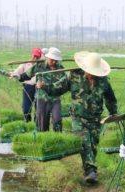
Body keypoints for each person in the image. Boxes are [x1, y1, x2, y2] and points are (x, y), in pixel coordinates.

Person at [42, 52, 117, 184]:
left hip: (95, 118)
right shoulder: (74, 75)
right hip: (78, 117)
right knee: (84, 141)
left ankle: (89, 169)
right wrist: (45, 86)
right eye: (89, 71)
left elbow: (110, 98)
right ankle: (91, 171)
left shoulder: (103, 81)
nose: (91, 74)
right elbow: (58, 88)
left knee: (93, 144)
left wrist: (113, 113)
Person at [18, 47, 65, 132]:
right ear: (47, 57)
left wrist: (46, 86)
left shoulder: (60, 69)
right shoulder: (39, 66)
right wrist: (18, 77)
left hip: (55, 99)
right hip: (42, 99)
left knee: (57, 120)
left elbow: (63, 84)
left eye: (56, 60)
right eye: (52, 59)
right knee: (42, 123)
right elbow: (27, 75)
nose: (54, 62)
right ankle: (44, 138)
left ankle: (58, 139)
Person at [8, 48, 42, 122]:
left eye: (37, 57)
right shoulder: (25, 64)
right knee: (26, 108)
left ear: (40, 57)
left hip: (38, 88)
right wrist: (13, 74)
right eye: (34, 56)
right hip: (28, 88)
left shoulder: (41, 66)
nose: (35, 58)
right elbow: (18, 71)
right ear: (31, 55)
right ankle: (27, 122)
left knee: (38, 109)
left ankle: (37, 124)